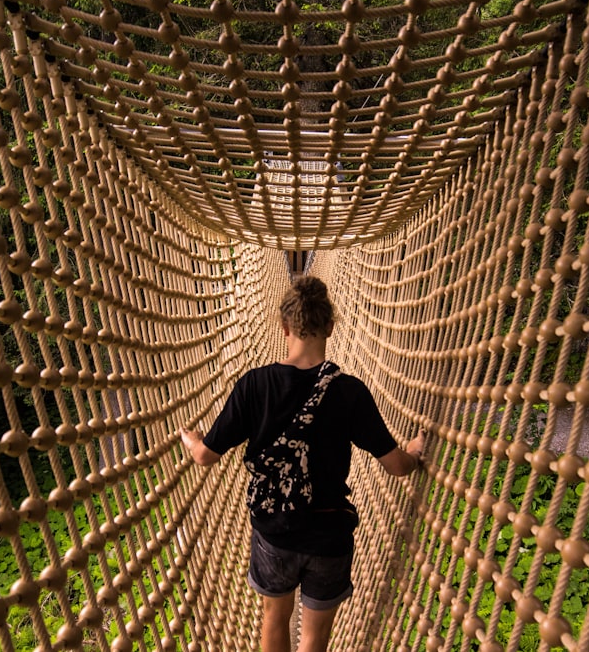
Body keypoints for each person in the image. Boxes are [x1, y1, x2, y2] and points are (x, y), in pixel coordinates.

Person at [180, 275, 425, 652]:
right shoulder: (348, 391)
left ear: (284, 326)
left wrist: (191, 439)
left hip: (275, 531)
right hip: (330, 534)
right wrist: (413, 450)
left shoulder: (254, 385)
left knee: (275, 618)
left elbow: (204, 457)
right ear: (330, 326)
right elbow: (396, 465)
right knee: (315, 639)